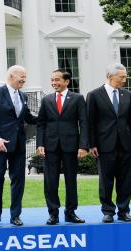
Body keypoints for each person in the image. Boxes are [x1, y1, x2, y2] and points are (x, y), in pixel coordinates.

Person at [0, 65, 37, 226]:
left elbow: (28, 118)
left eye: (25, 76)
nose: (24, 79)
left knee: (18, 180)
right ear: (11, 75)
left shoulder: (23, 96)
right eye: (22, 76)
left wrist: (49, 116)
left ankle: (15, 215)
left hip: (19, 146)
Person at [87, 63, 131, 223]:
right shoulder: (94, 95)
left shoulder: (127, 95)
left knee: (125, 180)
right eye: (122, 77)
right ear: (111, 76)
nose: (125, 79)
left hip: (125, 144)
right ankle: (108, 211)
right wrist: (92, 144)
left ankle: (124, 211)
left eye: (125, 76)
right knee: (106, 179)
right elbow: (90, 122)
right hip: (104, 145)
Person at [36, 69, 88, 225]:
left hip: (71, 146)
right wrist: (40, 144)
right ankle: (53, 214)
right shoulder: (46, 100)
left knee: (71, 181)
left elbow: (84, 123)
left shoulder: (78, 99)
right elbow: (41, 124)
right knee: (50, 182)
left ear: (67, 81)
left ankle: (70, 213)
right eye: (52, 80)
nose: (54, 83)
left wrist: (83, 145)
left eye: (57, 80)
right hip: (50, 147)